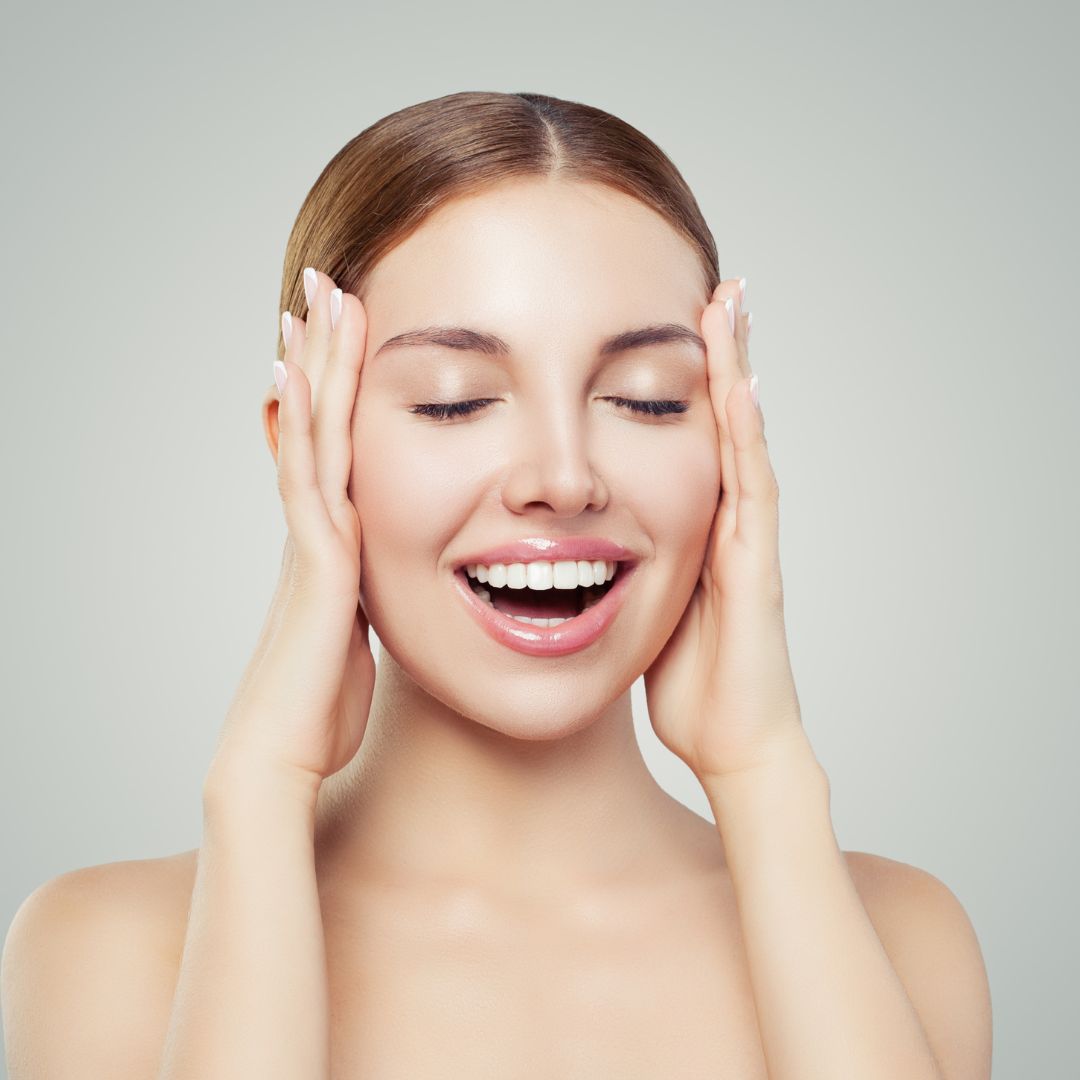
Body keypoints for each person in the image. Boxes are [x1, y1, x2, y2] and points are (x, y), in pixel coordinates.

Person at [2, 90, 991, 1079]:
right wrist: (259, 788)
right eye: (454, 402)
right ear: (305, 442)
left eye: (647, 399)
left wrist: (765, 772)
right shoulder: (110, 955)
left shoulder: (901, 941)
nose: (563, 478)